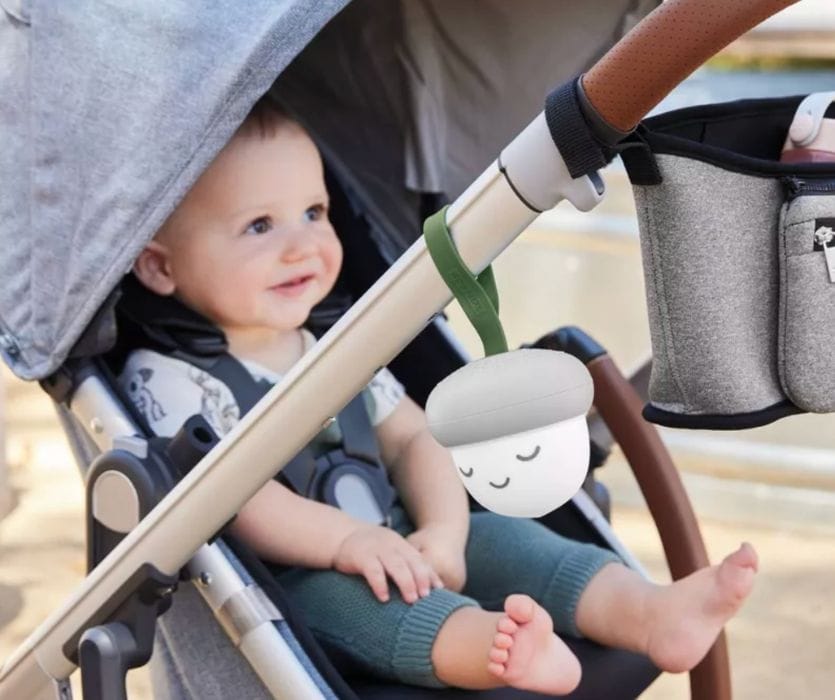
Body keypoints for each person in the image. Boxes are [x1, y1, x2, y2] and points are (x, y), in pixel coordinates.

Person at [121, 97, 758, 695]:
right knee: (377, 606)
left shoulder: (333, 347)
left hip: (404, 531)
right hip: (300, 579)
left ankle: (648, 613)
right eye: (258, 225)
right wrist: (349, 544)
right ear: (159, 267)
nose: (302, 246)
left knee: (508, 539)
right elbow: (237, 500)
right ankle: (497, 650)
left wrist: (446, 531)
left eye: (314, 213)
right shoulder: (170, 379)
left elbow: (412, 435)